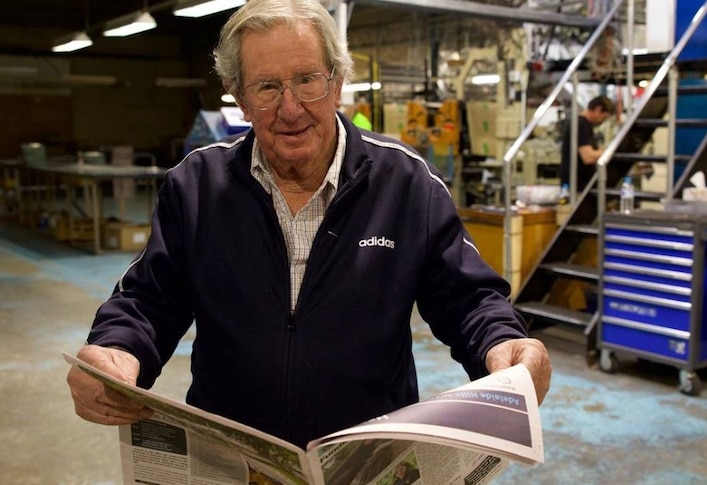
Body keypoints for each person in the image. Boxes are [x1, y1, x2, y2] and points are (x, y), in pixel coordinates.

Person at [66, 0, 551, 449]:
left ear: (337, 81)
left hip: (365, 451)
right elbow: (151, 298)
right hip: (234, 452)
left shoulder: (405, 183)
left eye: (307, 80)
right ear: (238, 96)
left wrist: (503, 342)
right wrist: (117, 352)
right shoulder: (196, 185)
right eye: (267, 87)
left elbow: (466, 297)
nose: (291, 109)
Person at [559, 95, 613, 190]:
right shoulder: (581, 125)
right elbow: (588, 157)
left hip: (580, 183)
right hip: (577, 186)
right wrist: (610, 152)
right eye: (604, 117)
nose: (602, 122)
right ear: (598, 109)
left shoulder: (586, 125)